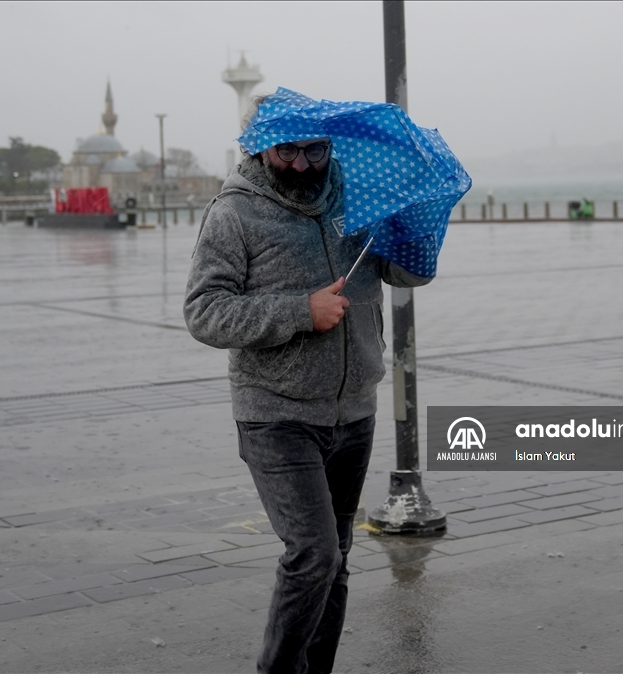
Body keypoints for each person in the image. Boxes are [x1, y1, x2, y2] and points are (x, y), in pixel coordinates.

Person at [184, 107, 431, 673]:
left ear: (329, 147)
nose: (301, 164)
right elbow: (204, 313)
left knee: (336, 557)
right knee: (314, 555)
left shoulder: (357, 200)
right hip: (275, 415)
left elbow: (408, 276)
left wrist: (413, 228)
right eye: (286, 152)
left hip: (354, 413)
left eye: (314, 151)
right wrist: (302, 311)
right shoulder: (235, 213)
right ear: (260, 149)